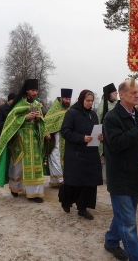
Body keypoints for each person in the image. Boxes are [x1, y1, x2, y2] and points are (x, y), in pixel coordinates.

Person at [103, 80, 138, 261]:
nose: (137, 95)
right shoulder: (112, 118)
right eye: (132, 92)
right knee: (129, 224)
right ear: (121, 94)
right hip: (120, 178)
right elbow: (117, 144)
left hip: (136, 177)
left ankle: (111, 240)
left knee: (125, 215)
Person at [0, 79, 46, 203]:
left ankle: (34, 193)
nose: (35, 93)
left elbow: (42, 120)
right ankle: (15, 188)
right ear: (27, 91)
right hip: (20, 138)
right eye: (32, 90)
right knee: (18, 166)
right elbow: (10, 121)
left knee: (34, 165)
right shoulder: (18, 104)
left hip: (34, 139)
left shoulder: (37, 104)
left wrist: (38, 118)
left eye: (36, 90)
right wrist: (24, 118)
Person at [58, 89, 103, 220]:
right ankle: (66, 201)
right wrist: (81, 138)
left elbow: (95, 129)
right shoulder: (72, 113)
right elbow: (65, 131)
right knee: (73, 182)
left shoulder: (93, 114)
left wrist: (99, 136)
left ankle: (83, 208)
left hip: (90, 153)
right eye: (87, 101)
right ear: (81, 100)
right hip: (75, 154)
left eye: (91, 101)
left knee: (88, 182)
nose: (90, 103)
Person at [44, 88, 73, 187]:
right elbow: (46, 121)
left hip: (67, 138)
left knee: (66, 158)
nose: (67, 101)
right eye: (66, 99)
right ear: (61, 98)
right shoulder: (54, 109)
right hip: (56, 137)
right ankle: (58, 180)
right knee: (55, 157)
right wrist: (46, 132)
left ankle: (64, 178)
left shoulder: (70, 110)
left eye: (69, 99)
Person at [96, 83, 118, 181]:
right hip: (103, 135)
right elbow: (99, 119)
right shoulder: (102, 106)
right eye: (114, 92)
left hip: (115, 134)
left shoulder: (118, 104)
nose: (116, 93)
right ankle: (103, 178)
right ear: (109, 94)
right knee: (103, 159)